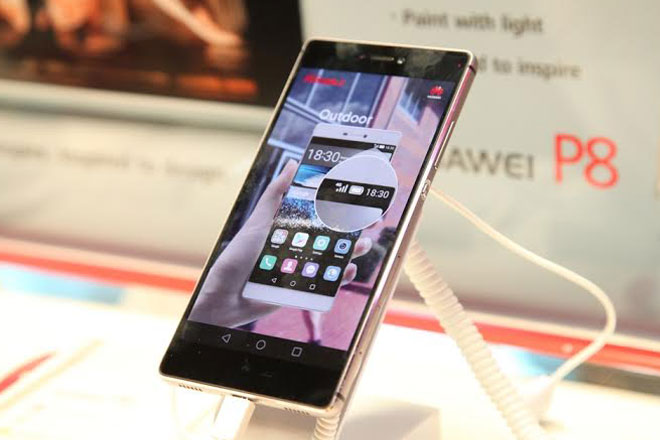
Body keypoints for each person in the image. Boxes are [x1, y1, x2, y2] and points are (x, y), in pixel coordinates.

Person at [190, 160, 372, 342]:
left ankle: (315, 337)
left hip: (303, 261)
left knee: (312, 288)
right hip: (281, 265)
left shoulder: (328, 212)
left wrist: (210, 311)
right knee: (309, 288)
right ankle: (315, 337)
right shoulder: (308, 204)